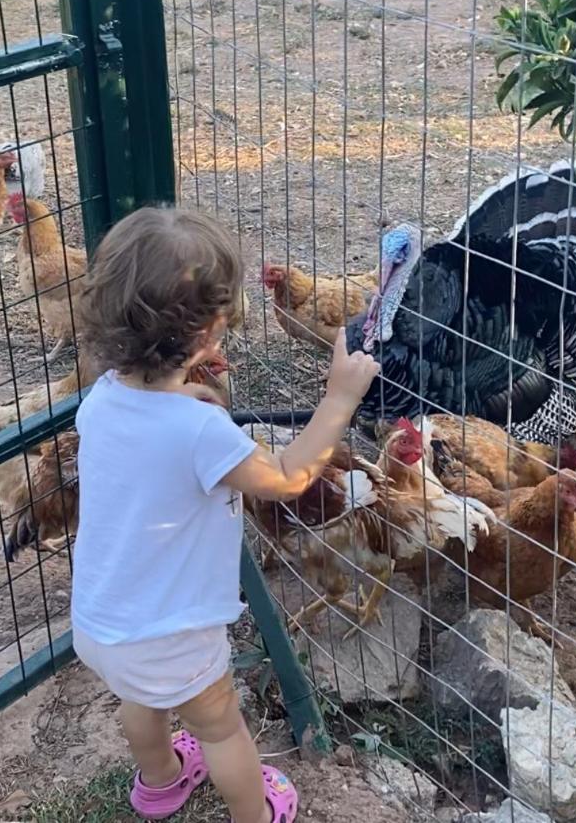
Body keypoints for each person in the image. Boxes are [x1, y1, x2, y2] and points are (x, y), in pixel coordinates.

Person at [70, 206, 380, 823]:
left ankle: (160, 783)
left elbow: (151, 434)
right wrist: (339, 398)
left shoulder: (101, 399)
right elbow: (288, 476)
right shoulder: (200, 432)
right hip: (171, 635)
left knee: (140, 699)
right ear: (211, 329)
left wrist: (182, 394)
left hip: (103, 624)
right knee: (221, 729)